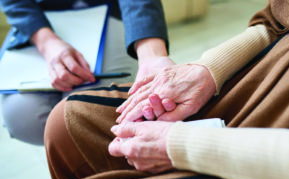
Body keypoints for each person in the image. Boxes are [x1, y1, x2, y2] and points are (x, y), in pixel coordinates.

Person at [45, 0, 289, 179]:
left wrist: (182, 145)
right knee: (67, 122)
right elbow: (277, 17)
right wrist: (207, 69)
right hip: (267, 69)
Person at [0, 0, 174, 145]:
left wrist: (152, 56)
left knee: (89, 115)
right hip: (39, 15)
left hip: (112, 7)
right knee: (23, 119)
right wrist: (46, 42)